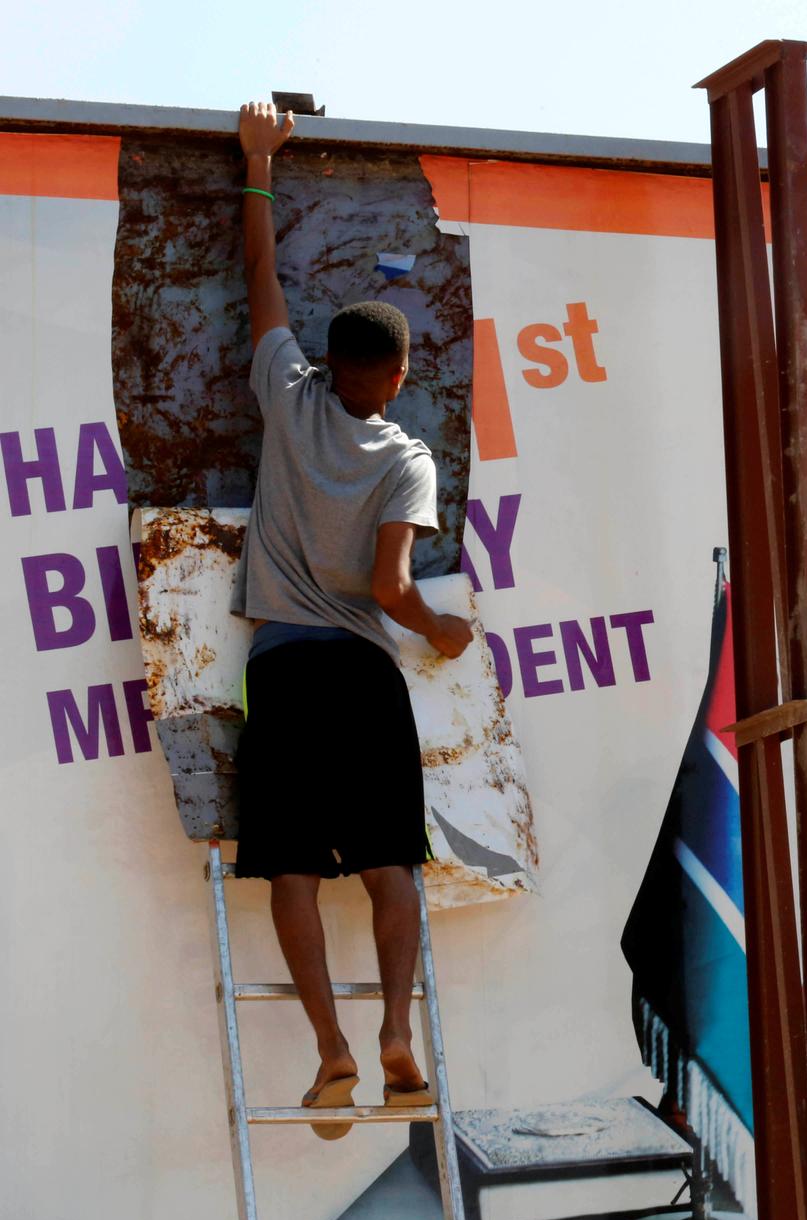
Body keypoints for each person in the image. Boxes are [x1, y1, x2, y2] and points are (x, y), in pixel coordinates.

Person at [227, 101, 474, 1137]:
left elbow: (263, 284)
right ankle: (394, 1036)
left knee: (290, 867)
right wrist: (438, 630)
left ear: (331, 358)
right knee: (388, 865)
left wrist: (257, 167)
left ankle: (329, 1048)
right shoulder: (405, 456)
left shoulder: (289, 393)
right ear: (401, 374)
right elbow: (388, 586)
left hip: (282, 667)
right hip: (365, 676)